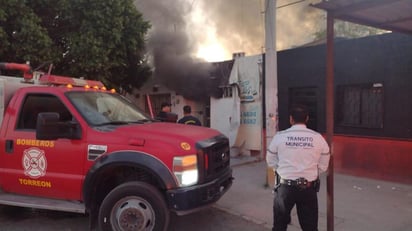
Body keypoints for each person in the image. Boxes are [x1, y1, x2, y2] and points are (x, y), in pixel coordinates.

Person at [266, 104, 330, 231]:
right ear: (307, 119)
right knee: (310, 227)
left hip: (284, 189)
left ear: (291, 119)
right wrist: (311, 172)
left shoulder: (280, 136)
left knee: (279, 226)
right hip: (308, 188)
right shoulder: (318, 138)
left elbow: (270, 161)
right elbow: (324, 165)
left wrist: (283, 169)